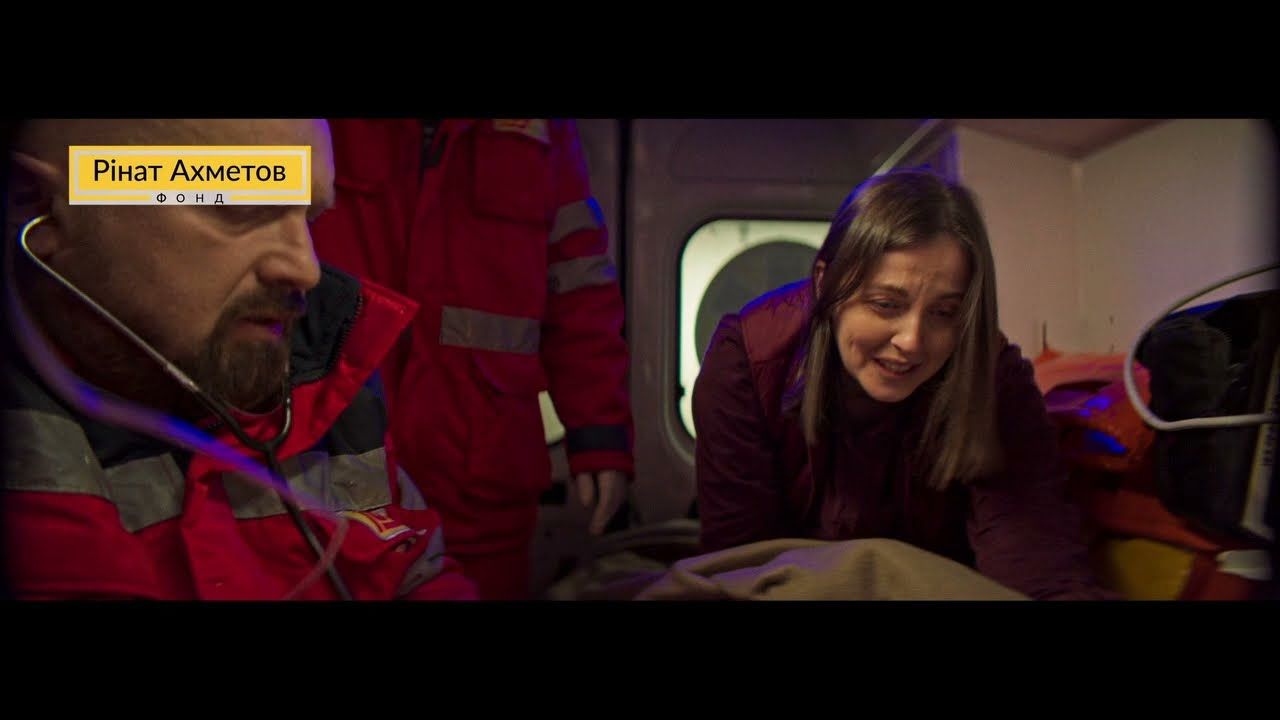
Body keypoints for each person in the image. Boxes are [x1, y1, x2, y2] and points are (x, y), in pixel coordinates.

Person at [1, 119, 477, 600]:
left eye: (311, 217)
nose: (306, 269)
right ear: (37, 203)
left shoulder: (326, 368)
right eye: (238, 206)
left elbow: (414, 572)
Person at [692, 169, 1116, 600]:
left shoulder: (992, 376)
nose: (912, 341)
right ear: (825, 283)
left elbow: (1036, 560)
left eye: (943, 313)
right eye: (885, 304)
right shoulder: (746, 363)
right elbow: (743, 570)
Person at [308, 119, 634, 599]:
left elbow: (578, 283)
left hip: (483, 480)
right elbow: (211, 197)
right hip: (332, 466)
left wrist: (600, 429)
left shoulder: (544, 129)